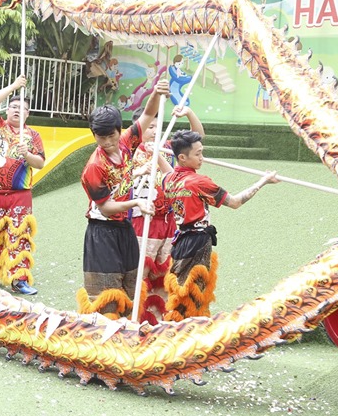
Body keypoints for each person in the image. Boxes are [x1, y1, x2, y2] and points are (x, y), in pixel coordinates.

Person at [162, 129, 279, 322]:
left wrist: (155, 154)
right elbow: (235, 202)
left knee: (180, 293)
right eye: (198, 154)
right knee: (194, 294)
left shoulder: (168, 180)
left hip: (180, 242)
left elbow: (168, 171)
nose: (202, 158)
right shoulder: (199, 182)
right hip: (198, 243)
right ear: (182, 157)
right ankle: (190, 330)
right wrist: (263, 181)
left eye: (202, 152)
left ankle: (180, 327)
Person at [76, 78, 169, 319]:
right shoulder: (94, 167)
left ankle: (129, 332)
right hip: (101, 232)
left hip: (124, 228)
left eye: (111, 136)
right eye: (101, 137)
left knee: (132, 289)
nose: (107, 142)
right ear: (94, 135)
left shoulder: (127, 143)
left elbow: (147, 114)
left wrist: (156, 92)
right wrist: (136, 203)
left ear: (119, 130)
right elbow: (106, 207)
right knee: (107, 296)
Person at [132, 104, 204, 325]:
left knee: (164, 274)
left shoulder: (165, 147)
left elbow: (197, 137)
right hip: (143, 219)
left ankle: (159, 319)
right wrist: (139, 170)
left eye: (157, 126)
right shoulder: (130, 150)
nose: (154, 131)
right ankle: (135, 318)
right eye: (149, 127)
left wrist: (189, 113)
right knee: (140, 271)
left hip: (168, 219)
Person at [0, 75, 45, 296]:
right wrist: (14, 86)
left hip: (20, 195)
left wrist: (28, 155)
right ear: (7, 110)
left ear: (28, 114)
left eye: (22, 108)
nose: (17, 110)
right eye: (13, 107)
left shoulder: (33, 136)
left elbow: (40, 163)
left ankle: (19, 280)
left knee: (19, 236)